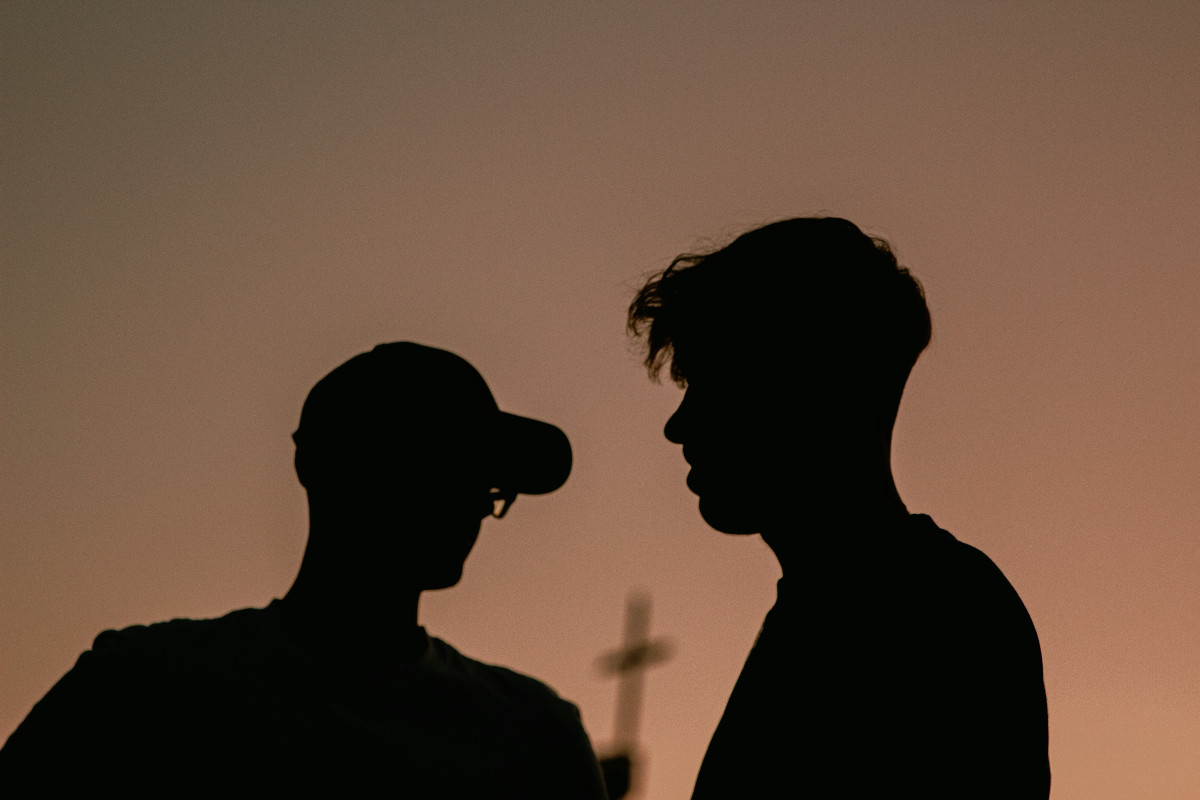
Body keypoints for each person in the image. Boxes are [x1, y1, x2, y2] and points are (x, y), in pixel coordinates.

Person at [1, 342, 608, 797]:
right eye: (445, 471)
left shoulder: (538, 735)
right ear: (335, 470)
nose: (474, 506)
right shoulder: (141, 690)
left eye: (486, 485)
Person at [628, 217, 1050, 798]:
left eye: (713, 383)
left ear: (803, 387)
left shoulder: (934, 615)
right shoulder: (844, 609)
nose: (680, 425)